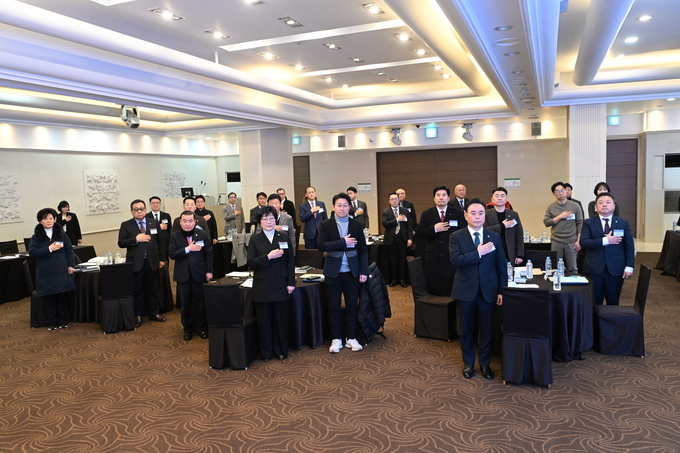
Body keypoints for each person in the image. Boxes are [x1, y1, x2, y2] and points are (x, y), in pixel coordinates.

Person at [450, 199, 506, 380]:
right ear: (465, 215)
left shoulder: (494, 236)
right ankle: (468, 363)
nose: (477, 217)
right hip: (465, 290)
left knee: (487, 331)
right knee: (466, 330)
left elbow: (501, 266)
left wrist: (501, 290)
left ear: (485, 215)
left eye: (481, 213)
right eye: (473, 213)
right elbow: (455, 260)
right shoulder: (456, 236)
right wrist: (478, 253)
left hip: (488, 291)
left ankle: (485, 364)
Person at [318, 193, 369, 354]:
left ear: (349, 207)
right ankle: (336, 339)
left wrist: (364, 270)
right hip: (333, 272)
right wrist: (342, 242)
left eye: (345, 205)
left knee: (352, 306)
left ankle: (351, 337)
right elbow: (321, 246)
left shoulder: (356, 224)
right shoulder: (326, 224)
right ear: (333, 207)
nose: (342, 208)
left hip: (352, 271)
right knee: (333, 307)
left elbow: (363, 249)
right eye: (339, 205)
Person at [247, 206, 295, 361]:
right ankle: (266, 352)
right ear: (260, 222)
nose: (269, 222)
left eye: (272, 219)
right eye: (265, 219)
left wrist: (290, 282)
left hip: (281, 284)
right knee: (264, 322)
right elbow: (251, 262)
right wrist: (268, 257)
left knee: (281, 321)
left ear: (276, 220)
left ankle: (281, 350)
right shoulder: (255, 239)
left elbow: (290, 261)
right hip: (263, 286)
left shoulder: (283, 237)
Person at [117, 199, 167, 327]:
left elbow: (160, 242)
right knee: (137, 290)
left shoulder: (153, 222)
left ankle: (154, 313)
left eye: (141, 209)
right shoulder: (126, 225)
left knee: (153, 289)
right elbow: (121, 243)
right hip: (136, 262)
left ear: (145, 209)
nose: (139, 211)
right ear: (131, 211)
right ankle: (138, 315)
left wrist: (162, 259)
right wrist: (136, 239)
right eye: (136, 209)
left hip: (152, 261)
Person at [580, 193, 634, 305]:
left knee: (613, 301)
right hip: (594, 269)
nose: (604, 205)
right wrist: (605, 240)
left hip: (615, 269)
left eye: (608, 202)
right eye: (600, 203)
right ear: (596, 207)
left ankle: (611, 318)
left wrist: (629, 266)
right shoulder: (588, 222)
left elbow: (629, 246)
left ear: (614, 206)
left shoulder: (623, 223)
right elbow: (584, 242)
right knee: (594, 302)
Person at [28, 208, 75, 330]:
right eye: (45, 219)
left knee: (62, 296)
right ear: (40, 221)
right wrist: (49, 249)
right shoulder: (36, 237)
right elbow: (32, 252)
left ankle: (63, 321)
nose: (48, 221)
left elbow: (69, 250)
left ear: (55, 219)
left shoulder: (61, 234)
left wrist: (70, 265)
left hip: (61, 269)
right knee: (50, 298)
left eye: (50, 218)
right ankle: (52, 322)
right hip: (46, 271)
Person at [169, 211, 213, 340]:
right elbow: (172, 254)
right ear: (180, 222)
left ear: (194, 222)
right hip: (183, 276)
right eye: (184, 221)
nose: (187, 224)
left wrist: (209, 271)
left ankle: (202, 328)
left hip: (199, 274)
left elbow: (209, 254)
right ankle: (187, 330)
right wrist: (188, 249)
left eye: (190, 221)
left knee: (201, 304)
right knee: (185, 306)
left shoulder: (202, 234)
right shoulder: (175, 235)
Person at [417, 186, 466, 296]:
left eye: (444, 195)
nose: (441, 198)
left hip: (451, 254)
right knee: (433, 284)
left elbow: (463, 232)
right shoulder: (427, 214)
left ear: (448, 198)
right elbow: (420, 233)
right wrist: (434, 228)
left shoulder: (458, 213)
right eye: (438, 195)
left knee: (451, 284)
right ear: (434, 198)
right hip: (433, 254)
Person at [543, 182, 583, 273]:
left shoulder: (575, 206)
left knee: (572, 268)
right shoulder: (551, 207)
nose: (561, 193)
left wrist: (578, 240)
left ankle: (573, 282)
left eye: (562, 190)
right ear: (553, 194)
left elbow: (580, 223)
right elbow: (547, 222)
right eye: (557, 191)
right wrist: (560, 216)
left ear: (566, 191)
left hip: (571, 241)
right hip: (556, 241)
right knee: (556, 268)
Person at [484, 187, 524, 265]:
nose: (499, 198)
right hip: (492, 251)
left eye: (502, 196)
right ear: (492, 199)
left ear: (506, 199)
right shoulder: (486, 214)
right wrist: (502, 226)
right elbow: (484, 230)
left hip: (509, 252)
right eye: (497, 196)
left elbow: (519, 235)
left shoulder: (513, 214)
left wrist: (520, 255)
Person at [381, 193, 412, 287]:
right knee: (392, 260)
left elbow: (409, 225)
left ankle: (402, 279)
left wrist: (410, 238)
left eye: (395, 199)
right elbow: (385, 224)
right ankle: (394, 279)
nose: (394, 201)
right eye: (392, 199)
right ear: (389, 201)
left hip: (402, 238)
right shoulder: (385, 212)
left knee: (402, 260)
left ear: (399, 200)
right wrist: (397, 220)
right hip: (391, 239)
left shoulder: (405, 211)